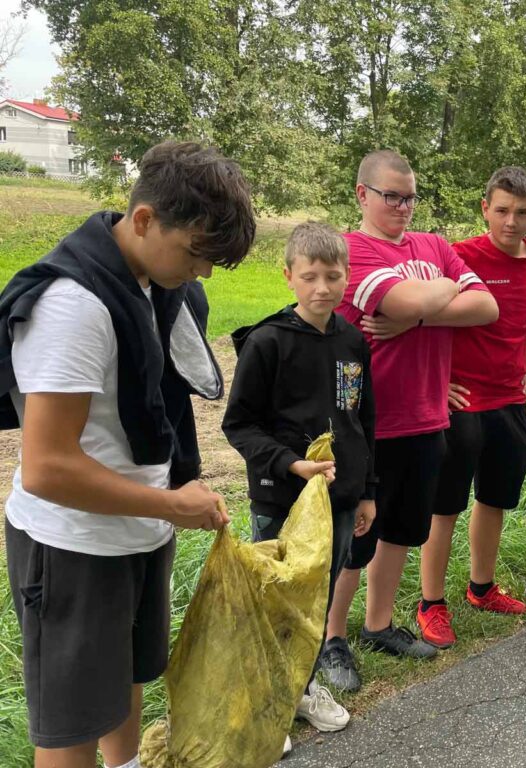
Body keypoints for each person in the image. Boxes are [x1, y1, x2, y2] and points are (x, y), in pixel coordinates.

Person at [0, 141, 254, 768]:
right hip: (75, 547)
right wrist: (171, 504)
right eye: (197, 253)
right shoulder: (72, 305)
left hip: (137, 532)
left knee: (127, 681)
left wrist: (164, 508)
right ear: (144, 219)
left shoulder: (148, 279)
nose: (203, 274)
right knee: (71, 723)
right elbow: (48, 467)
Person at [339, 150, 498, 657]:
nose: (403, 207)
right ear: (363, 194)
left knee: (402, 531)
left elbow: (486, 308)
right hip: (369, 421)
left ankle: (378, 625)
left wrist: (423, 313)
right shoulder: (352, 250)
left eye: (410, 197)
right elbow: (403, 302)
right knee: (354, 540)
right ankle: (332, 639)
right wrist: (446, 285)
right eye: (392, 196)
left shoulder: (433, 244)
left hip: (428, 416)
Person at [222, 223, 376, 731]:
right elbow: (239, 424)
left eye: (333, 276)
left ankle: (303, 689)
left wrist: (367, 491)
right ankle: (269, 706)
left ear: (347, 277)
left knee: (319, 598)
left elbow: (362, 419)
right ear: (289, 276)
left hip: (340, 498)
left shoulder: (354, 340)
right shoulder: (267, 342)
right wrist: (291, 463)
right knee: (278, 598)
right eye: (310, 276)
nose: (322, 288)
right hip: (282, 498)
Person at [417, 167, 526, 647]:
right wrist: (438, 383)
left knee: (495, 499)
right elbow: (427, 315)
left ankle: (481, 587)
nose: (511, 221)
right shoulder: (459, 256)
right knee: (445, 505)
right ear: (485, 210)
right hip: (462, 401)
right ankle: (431, 603)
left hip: (510, 400)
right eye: (501, 211)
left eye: (521, 212)